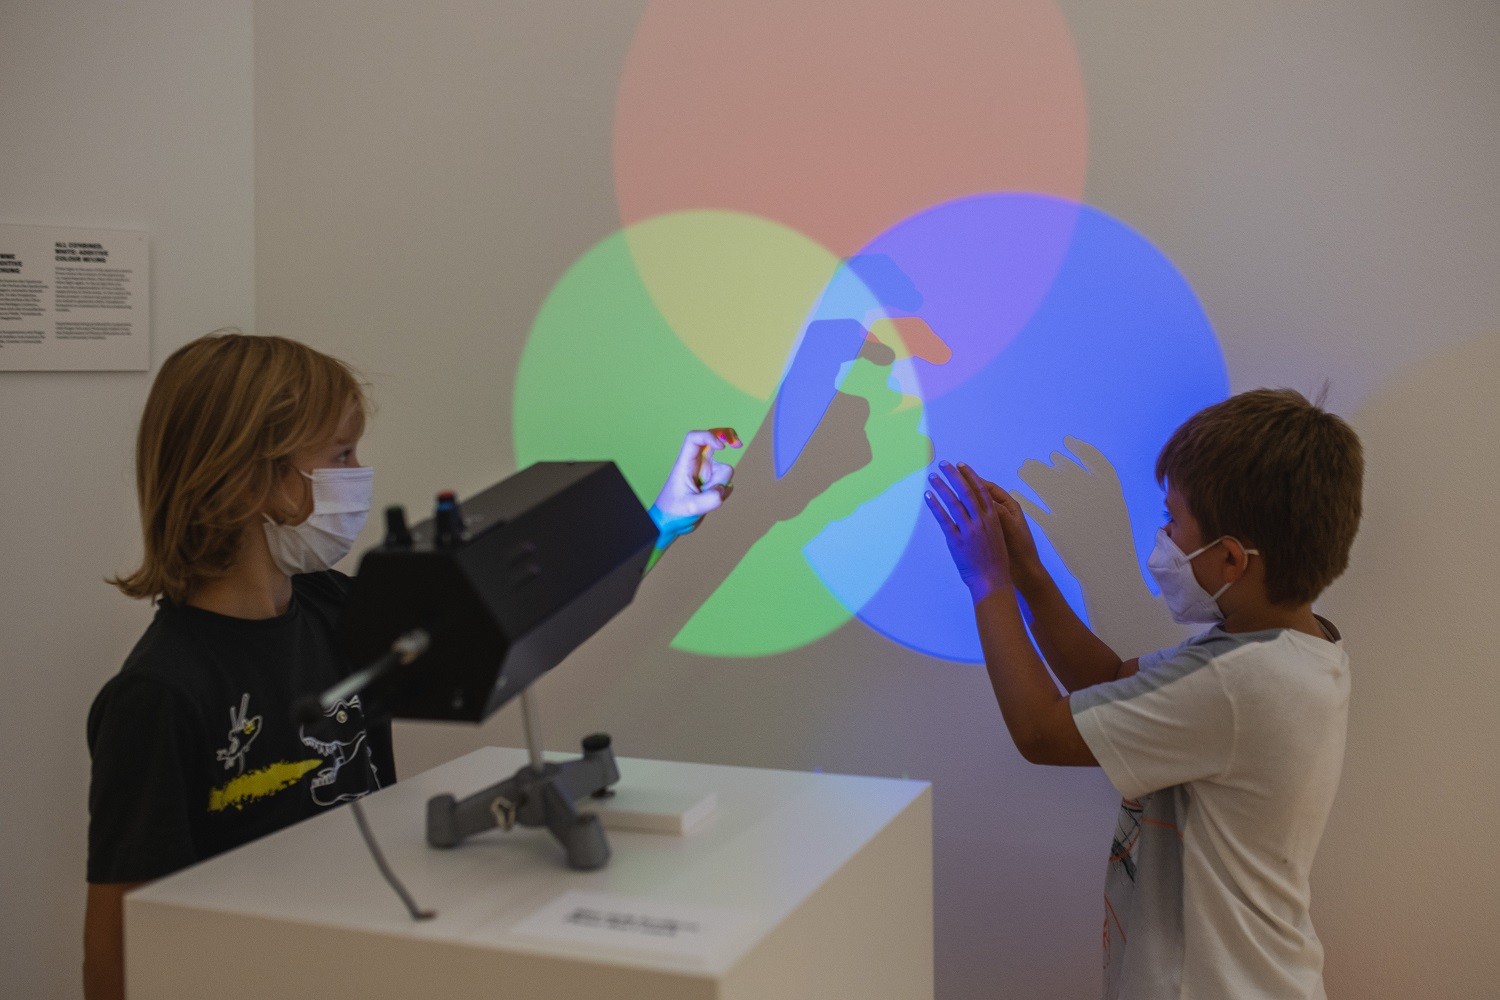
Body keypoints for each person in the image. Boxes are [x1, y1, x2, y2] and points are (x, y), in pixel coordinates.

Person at [83, 330, 739, 1000]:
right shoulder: (158, 695)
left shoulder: (338, 610)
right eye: (340, 455)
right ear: (255, 479)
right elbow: (118, 938)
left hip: (363, 960)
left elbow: (521, 620)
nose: (358, 472)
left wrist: (661, 521)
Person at [924, 388, 1362, 999]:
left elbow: (1039, 732)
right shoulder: (1271, 652)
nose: (1163, 536)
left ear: (1231, 558)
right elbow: (1108, 683)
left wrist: (987, 581)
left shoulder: (1244, 683)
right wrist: (1028, 574)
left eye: (1173, 520)